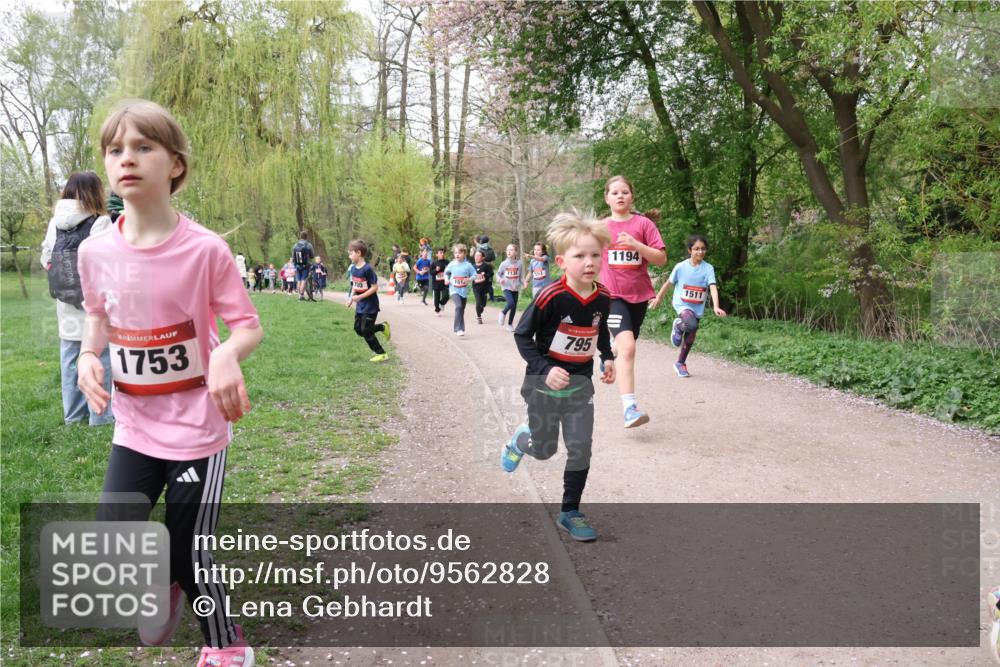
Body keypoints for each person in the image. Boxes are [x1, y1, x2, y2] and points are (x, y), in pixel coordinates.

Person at [76, 99, 262, 667]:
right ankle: (164, 583)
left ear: (175, 165)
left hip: (197, 434)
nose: (126, 159)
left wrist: (228, 352)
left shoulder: (206, 249)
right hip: (134, 427)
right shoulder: (94, 250)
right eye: (115, 150)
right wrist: (88, 354)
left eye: (143, 147)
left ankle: (225, 647)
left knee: (192, 551)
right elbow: (97, 314)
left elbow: (247, 326)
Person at [501, 210, 615, 542]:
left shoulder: (603, 297)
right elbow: (522, 336)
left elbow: (599, 331)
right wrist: (546, 369)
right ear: (563, 262)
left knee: (581, 447)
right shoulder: (550, 296)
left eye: (595, 254)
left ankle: (570, 511)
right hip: (542, 386)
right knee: (546, 450)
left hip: (581, 385)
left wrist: (607, 356)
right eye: (580, 256)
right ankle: (522, 440)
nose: (589, 262)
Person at [40, 171, 115, 426]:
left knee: (70, 359)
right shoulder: (101, 222)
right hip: (93, 305)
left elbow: (46, 258)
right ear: (96, 191)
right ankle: (100, 416)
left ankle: (73, 417)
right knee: (99, 358)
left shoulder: (55, 222)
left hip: (65, 303)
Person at [600, 176, 667, 429]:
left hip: (638, 297)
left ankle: (607, 349)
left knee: (624, 346)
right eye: (615, 192)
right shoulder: (601, 227)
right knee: (628, 348)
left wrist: (636, 245)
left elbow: (661, 259)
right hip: (611, 296)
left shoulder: (644, 224)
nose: (620, 196)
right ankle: (629, 408)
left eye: (625, 192)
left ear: (632, 196)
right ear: (607, 198)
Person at [651, 234, 727, 377]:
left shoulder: (708, 268)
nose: (700, 252)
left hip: (697, 307)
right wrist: (659, 297)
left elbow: (712, 287)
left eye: (703, 249)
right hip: (682, 304)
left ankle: (680, 363)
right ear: (689, 250)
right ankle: (679, 326)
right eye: (696, 249)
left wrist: (716, 306)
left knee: (691, 336)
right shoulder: (681, 267)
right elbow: (669, 282)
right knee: (691, 324)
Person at [346, 239, 391, 362]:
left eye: (351, 253)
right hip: (360, 305)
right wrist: (351, 299)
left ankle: (381, 353)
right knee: (358, 330)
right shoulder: (353, 269)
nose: (349, 256)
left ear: (358, 253)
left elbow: (374, 287)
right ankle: (382, 327)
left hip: (370, 306)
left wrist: (359, 297)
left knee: (366, 330)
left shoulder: (368, 269)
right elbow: (355, 286)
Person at [445, 243, 476, 336]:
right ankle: (458, 328)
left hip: (463, 291)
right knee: (458, 307)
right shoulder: (452, 264)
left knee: (461, 309)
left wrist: (469, 279)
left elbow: (474, 275)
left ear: (464, 253)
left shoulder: (468, 265)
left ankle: (461, 329)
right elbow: (446, 272)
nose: (457, 255)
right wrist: (446, 279)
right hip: (454, 290)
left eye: (459, 253)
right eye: (455, 253)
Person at [496, 243, 523, 332]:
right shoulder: (504, 264)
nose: (509, 252)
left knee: (514, 307)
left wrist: (524, 282)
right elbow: (498, 274)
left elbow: (521, 276)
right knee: (511, 303)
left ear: (516, 252)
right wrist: (500, 279)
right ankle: (503, 312)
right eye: (507, 250)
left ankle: (510, 324)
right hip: (506, 287)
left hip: (515, 287)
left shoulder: (519, 264)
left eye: (511, 250)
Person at [472, 249, 494, 324]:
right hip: (476, 288)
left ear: (483, 257)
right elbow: (469, 275)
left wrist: (485, 274)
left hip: (484, 288)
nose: (476, 257)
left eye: (478, 255)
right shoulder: (472, 267)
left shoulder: (486, 266)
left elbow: (491, 274)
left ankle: (480, 309)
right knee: (478, 302)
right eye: (475, 255)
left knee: (483, 304)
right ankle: (479, 317)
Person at [292, 231, 314, 301]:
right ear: (306, 237)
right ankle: (302, 295)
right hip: (306, 265)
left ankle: (299, 295)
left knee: (298, 280)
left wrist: (295, 265)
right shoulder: (308, 245)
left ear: (300, 236)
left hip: (297, 265)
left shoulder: (295, 245)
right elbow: (312, 256)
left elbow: (293, 257)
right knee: (303, 280)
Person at [429, 247, 450, 315]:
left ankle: (441, 303)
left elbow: (451, 271)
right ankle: (437, 310)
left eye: (443, 252)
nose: (442, 254)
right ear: (437, 254)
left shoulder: (447, 262)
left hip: (445, 283)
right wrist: (436, 270)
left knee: (446, 296)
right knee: (436, 299)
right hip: (436, 284)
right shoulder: (434, 263)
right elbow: (431, 273)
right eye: (441, 253)